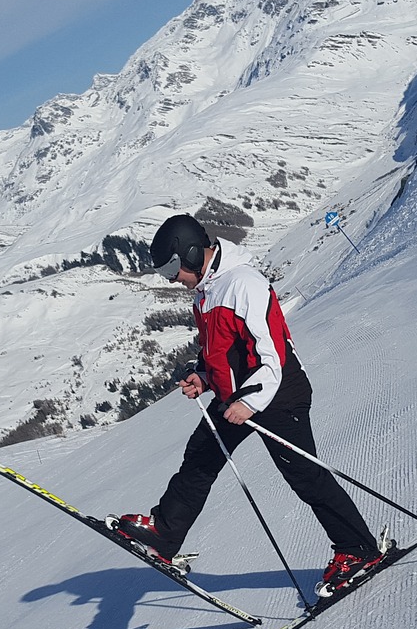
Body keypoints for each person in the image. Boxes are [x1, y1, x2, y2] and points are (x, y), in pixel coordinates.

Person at [114, 213, 383, 598]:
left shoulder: (244, 285)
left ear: (190, 254)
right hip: (235, 400)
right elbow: (222, 351)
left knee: (306, 476)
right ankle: (164, 532)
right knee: (200, 457)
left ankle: (359, 551)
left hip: (277, 395)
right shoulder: (207, 292)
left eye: (173, 268)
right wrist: (204, 377)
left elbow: (270, 355)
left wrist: (250, 403)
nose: (171, 278)